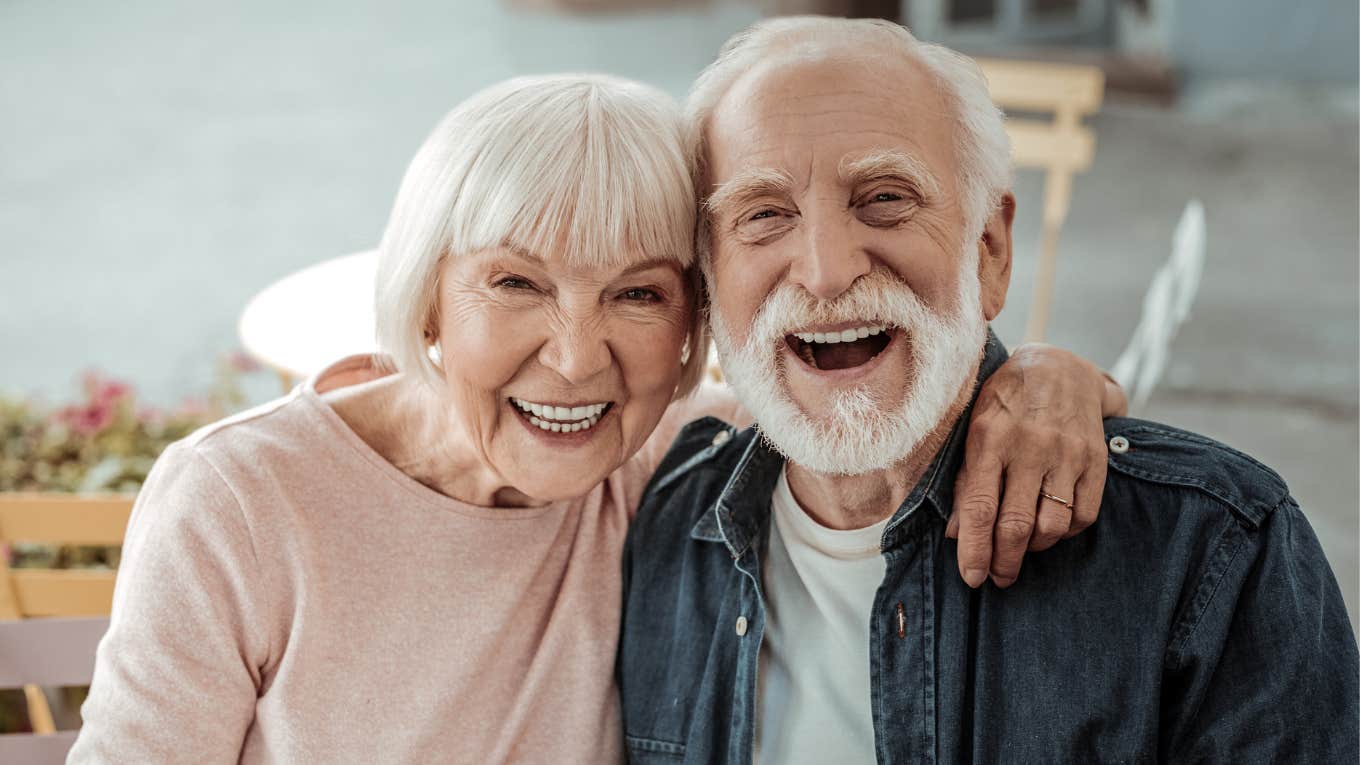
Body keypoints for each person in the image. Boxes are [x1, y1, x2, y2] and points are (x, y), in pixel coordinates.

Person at [69, 73, 1122, 763]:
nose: (577, 361)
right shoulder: (242, 501)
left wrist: (1039, 376)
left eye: (637, 294)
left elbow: (874, 402)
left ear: (693, 328)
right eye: (516, 285)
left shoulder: (667, 452)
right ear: (428, 295)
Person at [617, 17, 1359, 764]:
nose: (825, 269)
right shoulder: (652, 522)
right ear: (709, 281)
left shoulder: (1212, 551)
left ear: (991, 252)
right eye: (765, 213)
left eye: (884, 197)